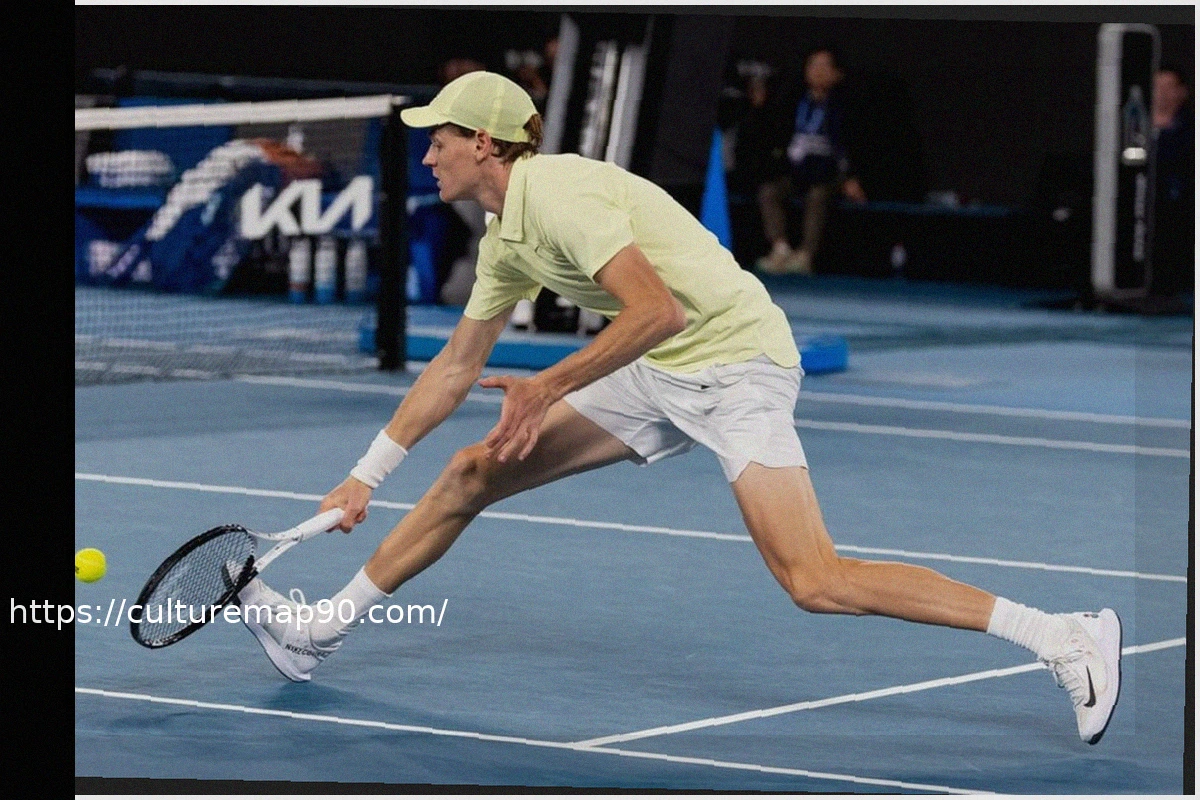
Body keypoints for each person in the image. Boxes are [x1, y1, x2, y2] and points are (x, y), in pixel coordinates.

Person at [235, 71, 1123, 746]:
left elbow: (659, 309)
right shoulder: (506, 235)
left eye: (439, 139)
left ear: (487, 143)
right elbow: (455, 367)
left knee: (813, 580)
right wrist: (363, 476)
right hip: (659, 368)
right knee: (469, 472)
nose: (426, 153)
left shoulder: (563, 195)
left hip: (736, 364)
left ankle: (1064, 636)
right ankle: (318, 630)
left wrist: (549, 385)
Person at [754, 47, 867, 276]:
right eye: (813, 65)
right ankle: (781, 249)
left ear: (837, 74)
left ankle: (805, 255)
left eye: (824, 66)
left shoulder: (848, 106)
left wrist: (852, 178)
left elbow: (855, 147)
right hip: (797, 172)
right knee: (769, 191)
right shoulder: (793, 101)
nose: (817, 71)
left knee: (817, 196)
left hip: (830, 175)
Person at [1150, 63, 1193, 300]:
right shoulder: (1134, 123)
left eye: (1168, 87)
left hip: (1180, 202)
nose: (1162, 93)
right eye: (1157, 87)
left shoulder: (1191, 128)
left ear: (1182, 92)